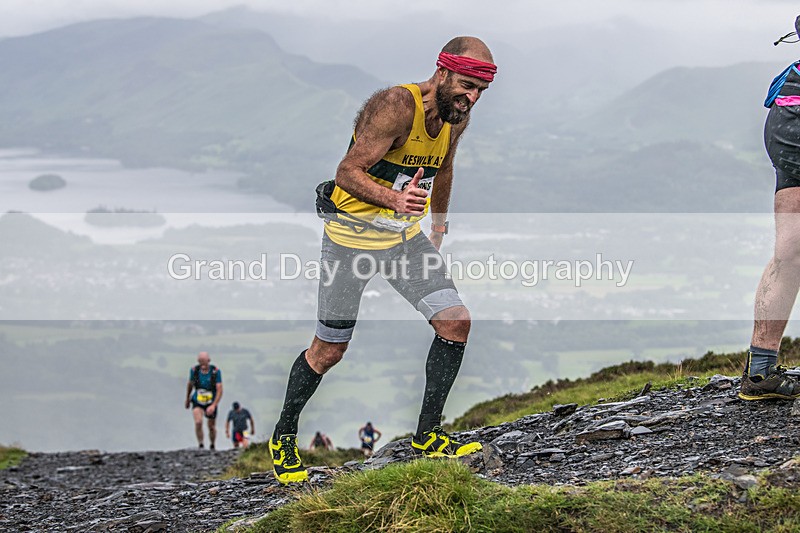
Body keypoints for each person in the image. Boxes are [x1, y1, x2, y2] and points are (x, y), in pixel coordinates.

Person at [268, 36, 497, 484]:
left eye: (480, 92)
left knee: (456, 322)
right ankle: (283, 435)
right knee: (329, 350)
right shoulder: (396, 105)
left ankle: (428, 436)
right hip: (349, 241)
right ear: (443, 72)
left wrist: (438, 226)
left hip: (402, 241)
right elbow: (346, 172)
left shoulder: (454, 117)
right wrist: (395, 198)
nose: (470, 98)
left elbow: (444, 168)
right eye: (467, 86)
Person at [740, 15, 800, 401]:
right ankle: (761, 373)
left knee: (792, 251)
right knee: (791, 250)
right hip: (793, 112)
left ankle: (761, 372)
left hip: (790, 111)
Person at [184, 352, 223, 449]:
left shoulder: (215, 372)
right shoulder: (194, 371)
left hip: (211, 402)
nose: (203, 365)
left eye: (204, 362)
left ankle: (212, 444)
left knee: (211, 426)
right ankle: (201, 444)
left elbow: (220, 390)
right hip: (198, 401)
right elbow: (190, 384)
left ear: (209, 361)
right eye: (200, 362)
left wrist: (214, 405)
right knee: (198, 422)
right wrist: (187, 398)